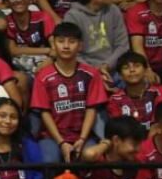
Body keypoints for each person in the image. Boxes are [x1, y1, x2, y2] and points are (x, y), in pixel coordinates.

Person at [31, 22, 109, 164]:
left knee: (94, 158)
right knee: (49, 161)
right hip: (52, 137)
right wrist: (61, 142)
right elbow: (44, 112)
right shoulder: (43, 76)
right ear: (53, 44)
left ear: (80, 46)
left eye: (72, 42)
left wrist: (82, 139)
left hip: (84, 135)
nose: (66, 46)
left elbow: (91, 109)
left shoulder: (91, 74)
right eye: (61, 41)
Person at [65, 0, 130, 74]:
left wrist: (106, 66)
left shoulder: (113, 10)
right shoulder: (72, 16)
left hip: (113, 67)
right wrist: (93, 72)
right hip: (84, 71)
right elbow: (72, 52)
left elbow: (122, 46)